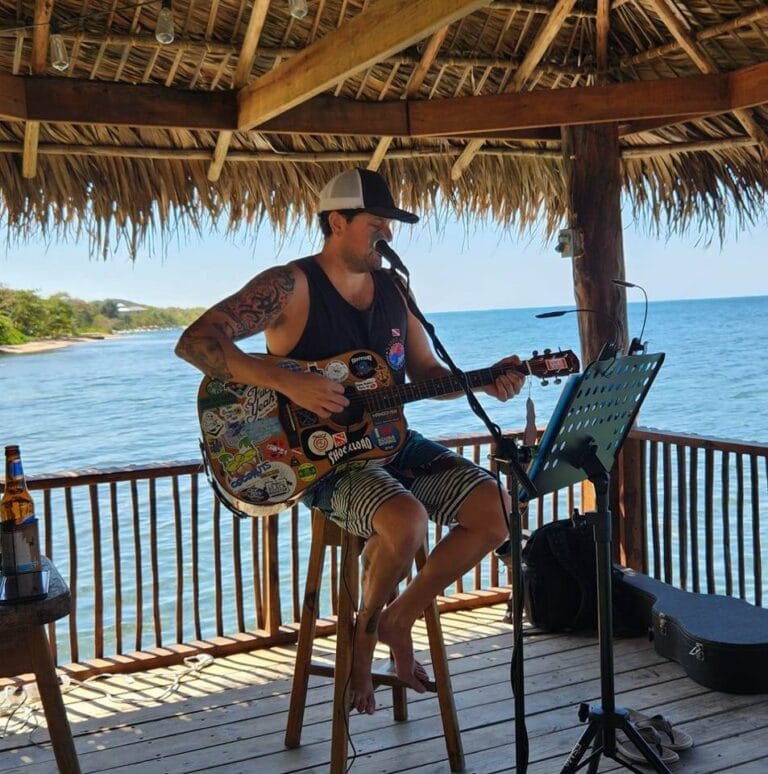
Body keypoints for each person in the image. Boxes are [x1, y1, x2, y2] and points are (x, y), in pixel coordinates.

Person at [175, 168, 525, 715]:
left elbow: (424, 373)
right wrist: (284, 379)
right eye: (376, 222)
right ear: (337, 221)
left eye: (390, 224)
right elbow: (195, 341)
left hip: (392, 442)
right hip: (324, 463)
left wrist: (483, 379)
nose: (387, 233)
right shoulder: (290, 285)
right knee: (406, 520)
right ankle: (363, 638)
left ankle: (397, 617)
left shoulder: (394, 289)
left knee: (497, 508)